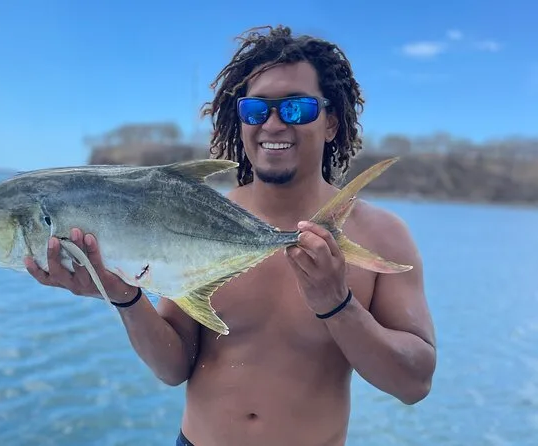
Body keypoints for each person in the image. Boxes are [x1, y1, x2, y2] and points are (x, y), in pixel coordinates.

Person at [24, 25, 437, 446]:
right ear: (241, 122)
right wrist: (125, 297)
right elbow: (173, 368)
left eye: (296, 109)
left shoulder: (382, 235)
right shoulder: (196, 219)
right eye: (256, 110)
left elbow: (415, 383)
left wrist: (338, 305)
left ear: (331, 122)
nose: (273, 124)